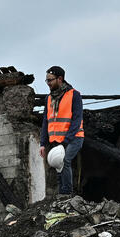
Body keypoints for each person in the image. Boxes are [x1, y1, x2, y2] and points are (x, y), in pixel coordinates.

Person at [40, 65, 84, 195]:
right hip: (57, 139)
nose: (48, 83)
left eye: (50, 80)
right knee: (57, 165)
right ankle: (61, 195)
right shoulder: (48, 98)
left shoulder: (74, 95)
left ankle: (66, 194)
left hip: (74, 138)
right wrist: (43, 143)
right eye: (46, 80)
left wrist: (66, 141)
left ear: (60, 79)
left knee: (64, 161)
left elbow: (76, 120)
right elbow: (45, 122)